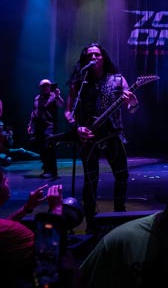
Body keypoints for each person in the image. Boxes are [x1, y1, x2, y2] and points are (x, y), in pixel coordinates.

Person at [64, 42, 139, 229]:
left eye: (96, 54)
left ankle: (119, 216)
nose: (93, 58)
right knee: (90, 180)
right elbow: (68, 111)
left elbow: (131, 109)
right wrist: (77, 128)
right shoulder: (79, 83)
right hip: (88, 136)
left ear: (103, 57)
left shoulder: (117, 80)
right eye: (89, 55)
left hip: (112, 134)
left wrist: (133, 102)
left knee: (121, 175)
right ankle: (91, 222)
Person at [0, 158, 63, 287]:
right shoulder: (11, 231)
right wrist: (56, 209)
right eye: (4, 181)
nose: (8, 181)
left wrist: (27, 208)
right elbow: (48, 255)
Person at [28, 78, 65, 179]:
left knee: (49, 148)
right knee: (42, 149)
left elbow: (61, 104)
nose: (46, 87)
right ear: (40, 87)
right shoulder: (37, 98)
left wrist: (58, 95)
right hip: (39, 126)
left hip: (49, 126)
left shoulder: (54, 96)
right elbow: (34, 112)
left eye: (48, 85)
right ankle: (46, 169)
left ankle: (52, 171)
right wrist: (30, 124)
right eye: (44, 85)